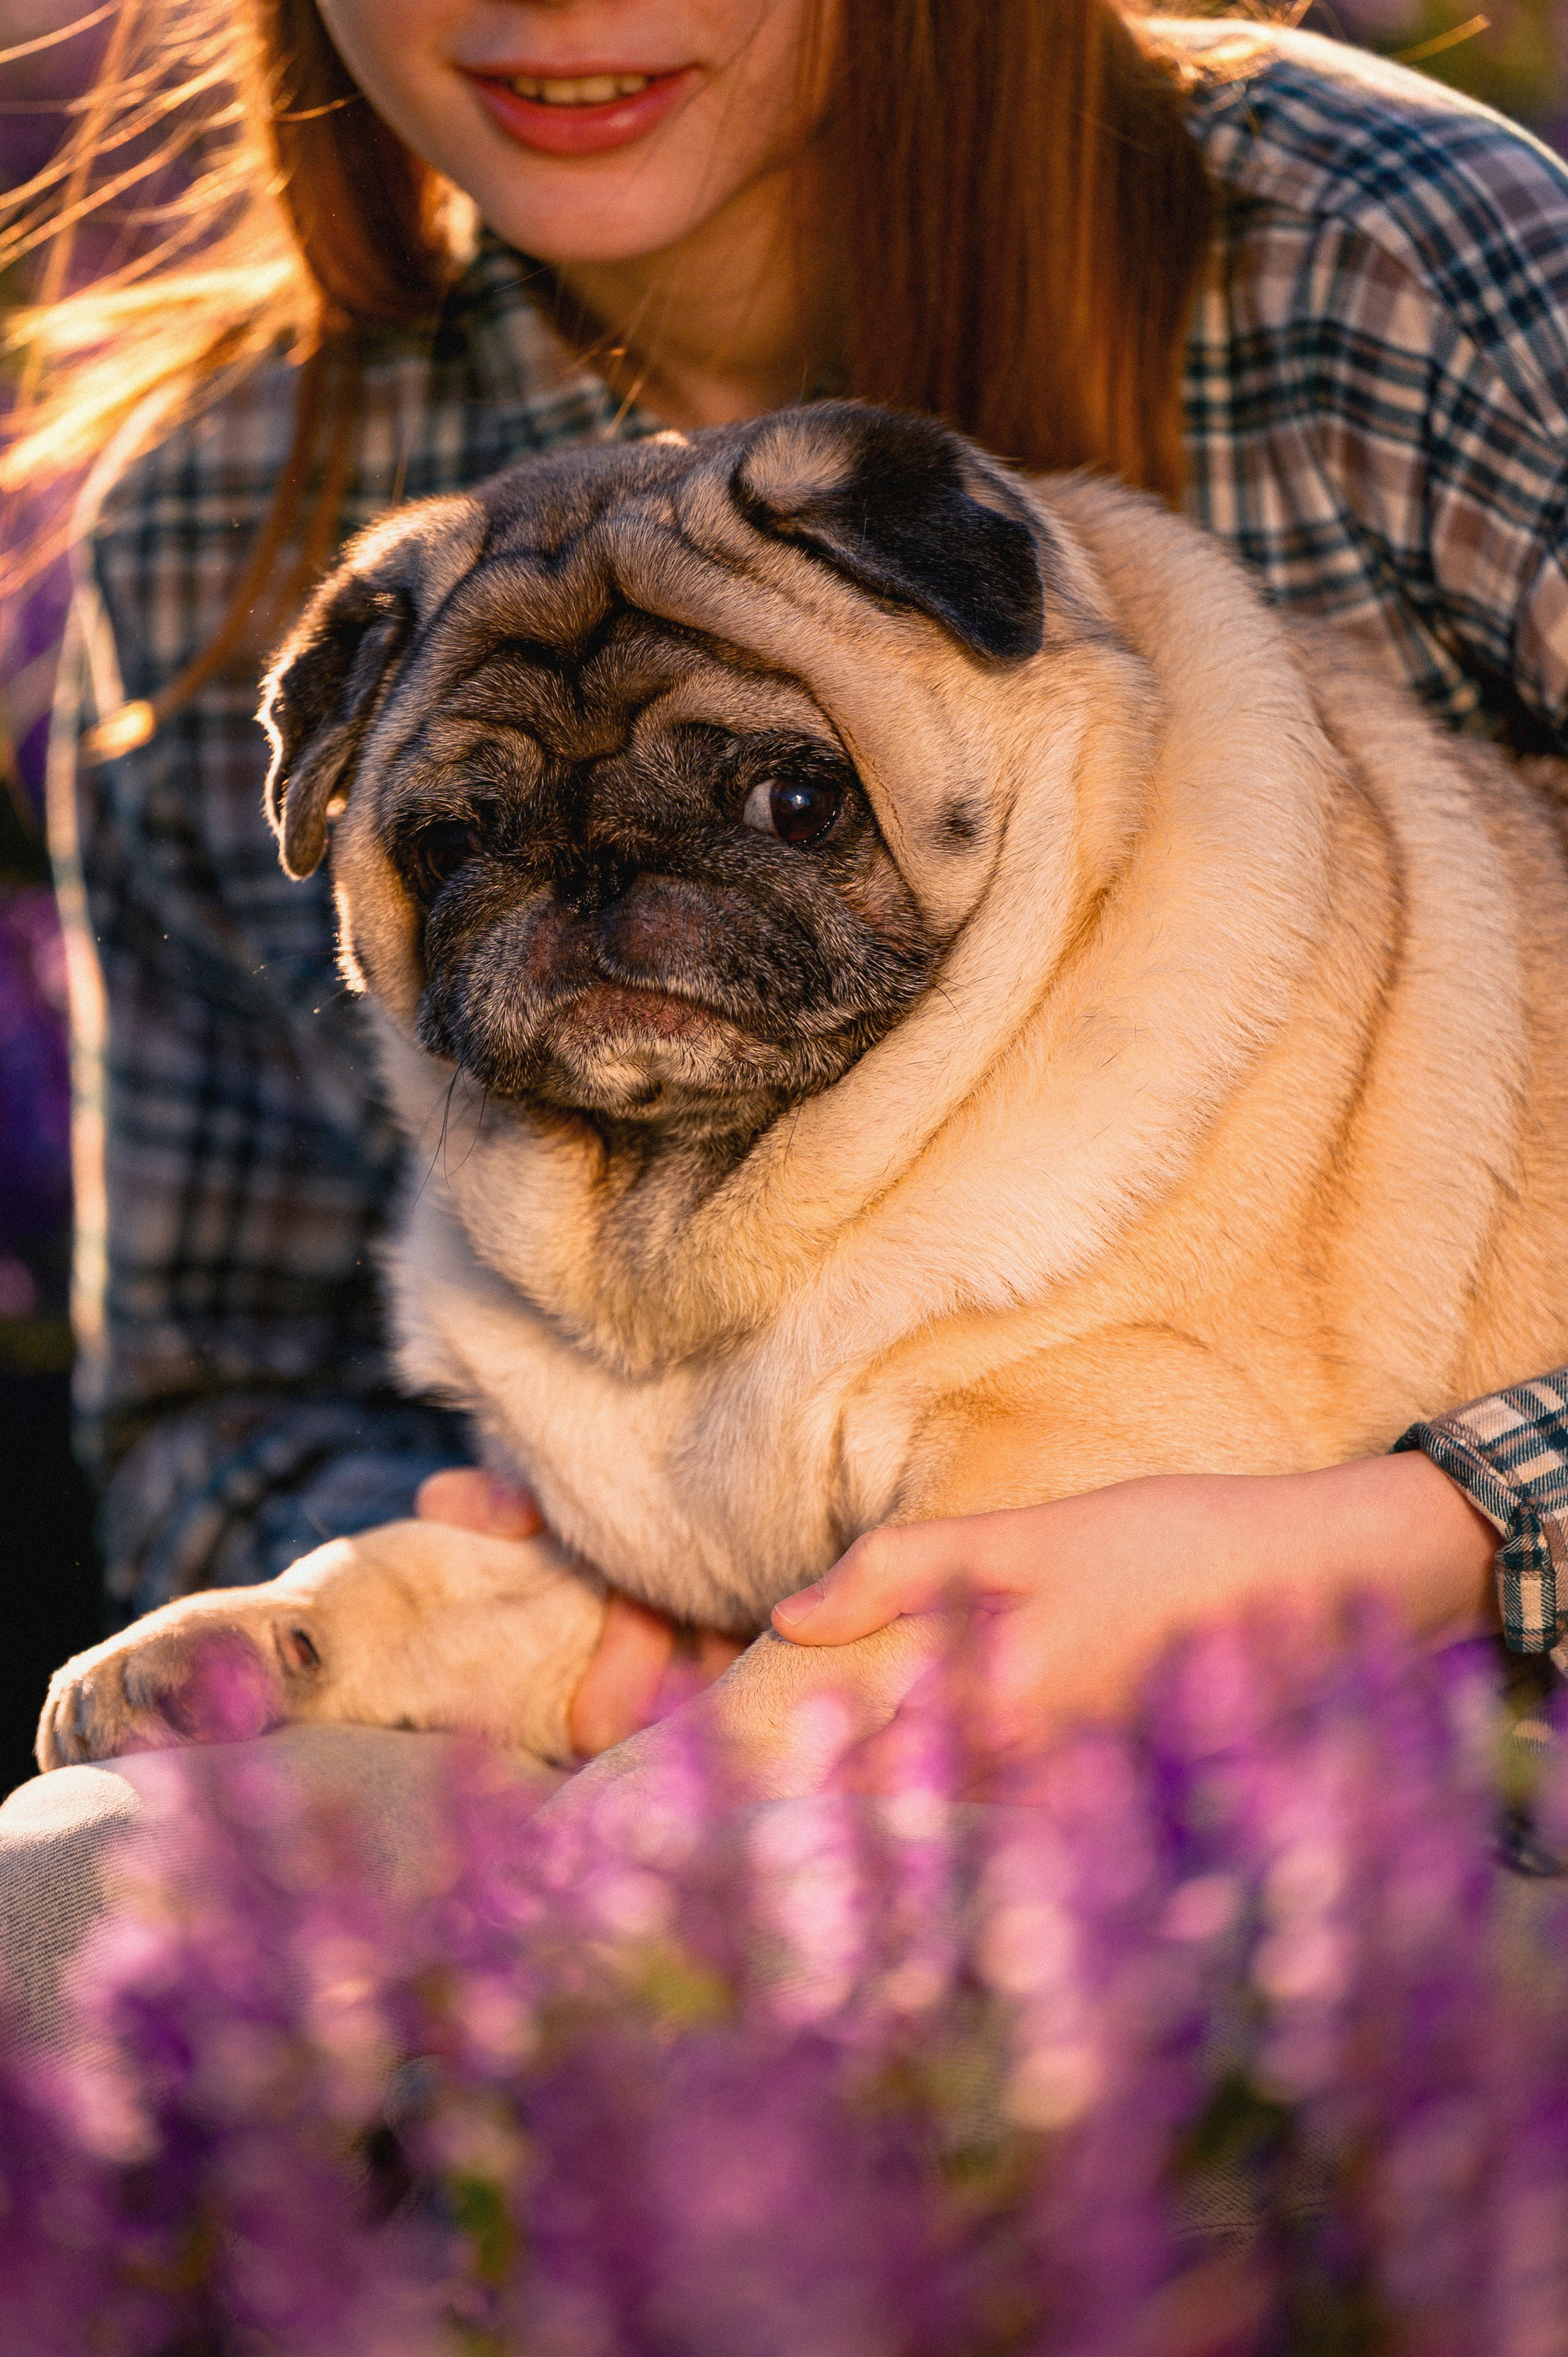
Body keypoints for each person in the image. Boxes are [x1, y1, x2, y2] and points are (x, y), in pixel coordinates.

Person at [6, 0, 1568, 1781]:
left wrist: (1434, 1539)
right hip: (642, 1730)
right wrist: (567, 1607)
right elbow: (225, 1398)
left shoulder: (1386, 264)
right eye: (460, 842)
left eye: (784, 798)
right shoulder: (228, 512)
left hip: (1457, 1791)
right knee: (65, 1898)